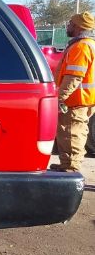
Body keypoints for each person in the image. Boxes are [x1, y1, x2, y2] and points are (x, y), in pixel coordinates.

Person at [52, 11, 95, 172]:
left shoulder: (81, 47)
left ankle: (71, 167)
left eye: (70, 23)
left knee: (71, 134)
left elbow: (74, 77)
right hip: (82, 99)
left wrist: (60, 98)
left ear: (78, 27)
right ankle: (67, 164)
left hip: (76, 101)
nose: (68, 26)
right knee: (73, 132)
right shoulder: (88, 44)